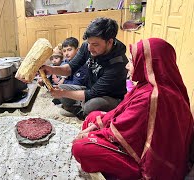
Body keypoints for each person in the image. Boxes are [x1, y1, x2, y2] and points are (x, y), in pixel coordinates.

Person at [71, 38, 194, 179]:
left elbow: (124, 132)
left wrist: (90, 135)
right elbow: (122, 114)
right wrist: (94, 128)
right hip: (140, 140)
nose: (127, 66)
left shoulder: (152, 97)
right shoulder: (155, 84)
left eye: (132, 61)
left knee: (81, 148)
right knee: (93, 117)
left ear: (147, 63)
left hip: (151, 163)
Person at [40, 17, 128, 118]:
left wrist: (64, 94)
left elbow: (93, 93)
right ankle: (82, 110)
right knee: (61, 88)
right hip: (89, 89)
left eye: (95, 44)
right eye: (89, 43)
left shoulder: (118, 63)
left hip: (110, 97)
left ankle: (83, 111)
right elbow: (70, 68)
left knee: (91, 105)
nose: (90, 48)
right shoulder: (87, 46)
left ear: (109, 42)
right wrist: (50, 69)